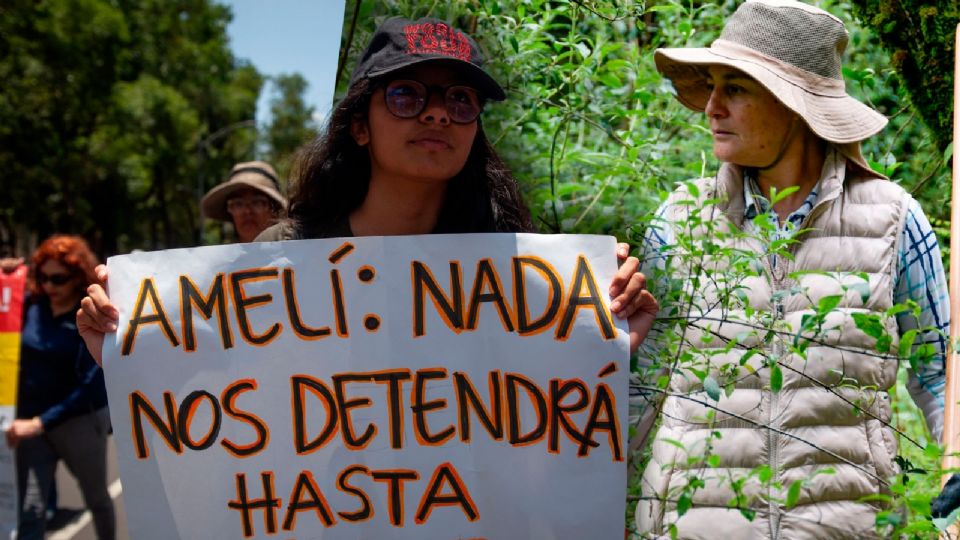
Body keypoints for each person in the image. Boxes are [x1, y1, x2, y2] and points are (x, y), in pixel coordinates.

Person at [78, 16, 658, 362]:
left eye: (460, 101)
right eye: (407, 95)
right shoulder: (285, 251)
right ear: (359, 125)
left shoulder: (517, 267)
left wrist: (606, 341)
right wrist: (122, 353)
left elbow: (540, 405)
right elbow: (221, 384)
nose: (437, 116)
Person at [634, 1, 948, 538]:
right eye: (710, 86)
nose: (711, 107)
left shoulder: (891, 220)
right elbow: (638, 392)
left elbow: (940, 378)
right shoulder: (680, 221)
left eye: (734, 88)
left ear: (794, 106)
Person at [5, 235, 115, 540]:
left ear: (77, 276)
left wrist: (42, 423)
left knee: (97, 499)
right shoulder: (31, 305)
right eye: (43, 276)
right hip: (29, 423)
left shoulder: (90, 315)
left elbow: (91, 386)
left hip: (78, 421)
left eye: (59, 278)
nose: (49, 285)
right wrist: (4, 275)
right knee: (31, 510)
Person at [200, 160, 288, 243]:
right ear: (230, 211)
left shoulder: (295, 256)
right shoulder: (219, 259)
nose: (247, 211)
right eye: (238, 204)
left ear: (275, 210)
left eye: (257, 202)